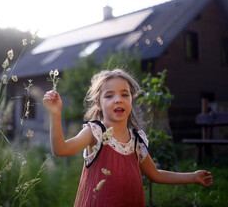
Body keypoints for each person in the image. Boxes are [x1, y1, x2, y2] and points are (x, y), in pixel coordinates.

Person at [43, 69, 213, 207]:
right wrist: (55, 114)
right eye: (109, 96)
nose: (118, 100)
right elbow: (61, 150)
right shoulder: (95, 133)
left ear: (132, 100)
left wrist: (193, 176)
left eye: (124, 94)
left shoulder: (137, 141)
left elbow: (156, 175)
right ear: (98, 104)